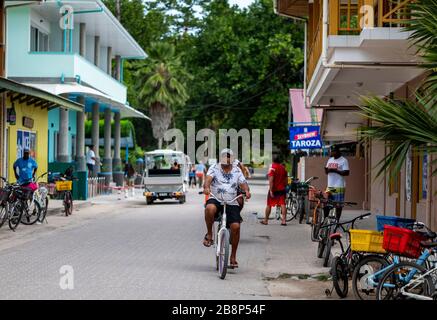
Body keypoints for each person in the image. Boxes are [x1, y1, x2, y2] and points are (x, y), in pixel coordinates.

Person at [203, 149, 251, 269]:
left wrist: (246, 191)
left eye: (229, 157)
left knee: (236, 227)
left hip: (231, 201)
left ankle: (233, 256)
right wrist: (207, 187)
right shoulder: (214, 167)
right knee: (209, 208)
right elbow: (208, 179)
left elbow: (243, 182)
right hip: (216, 198)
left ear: (232, 159)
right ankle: (209, 234)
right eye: (224, 156)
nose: (226, 159)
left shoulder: (236, 169)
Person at [261, 156, 288, 226]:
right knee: (283, 204)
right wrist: (284, 186)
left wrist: (271, 190)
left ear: (273, 160)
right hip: (282, 189)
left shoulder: (272, 167)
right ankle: (284, 221)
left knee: (269, 204)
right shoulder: (283, 168)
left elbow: (271, 180)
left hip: (274, 189)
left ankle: (266, 220)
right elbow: (286, 180)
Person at [325, 145, 350, 220]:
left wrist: (335, 170)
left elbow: (347, 172)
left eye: (333, 151)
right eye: (331, 151)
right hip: (330, 186)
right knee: (326, 204)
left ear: (337, 151)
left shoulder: (343, 160)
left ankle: (337, 221)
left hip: (338, 186)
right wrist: (327, 170)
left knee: (338, 205)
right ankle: (325, 220)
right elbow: (327, 171)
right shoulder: (330, 160)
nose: (331, 152)